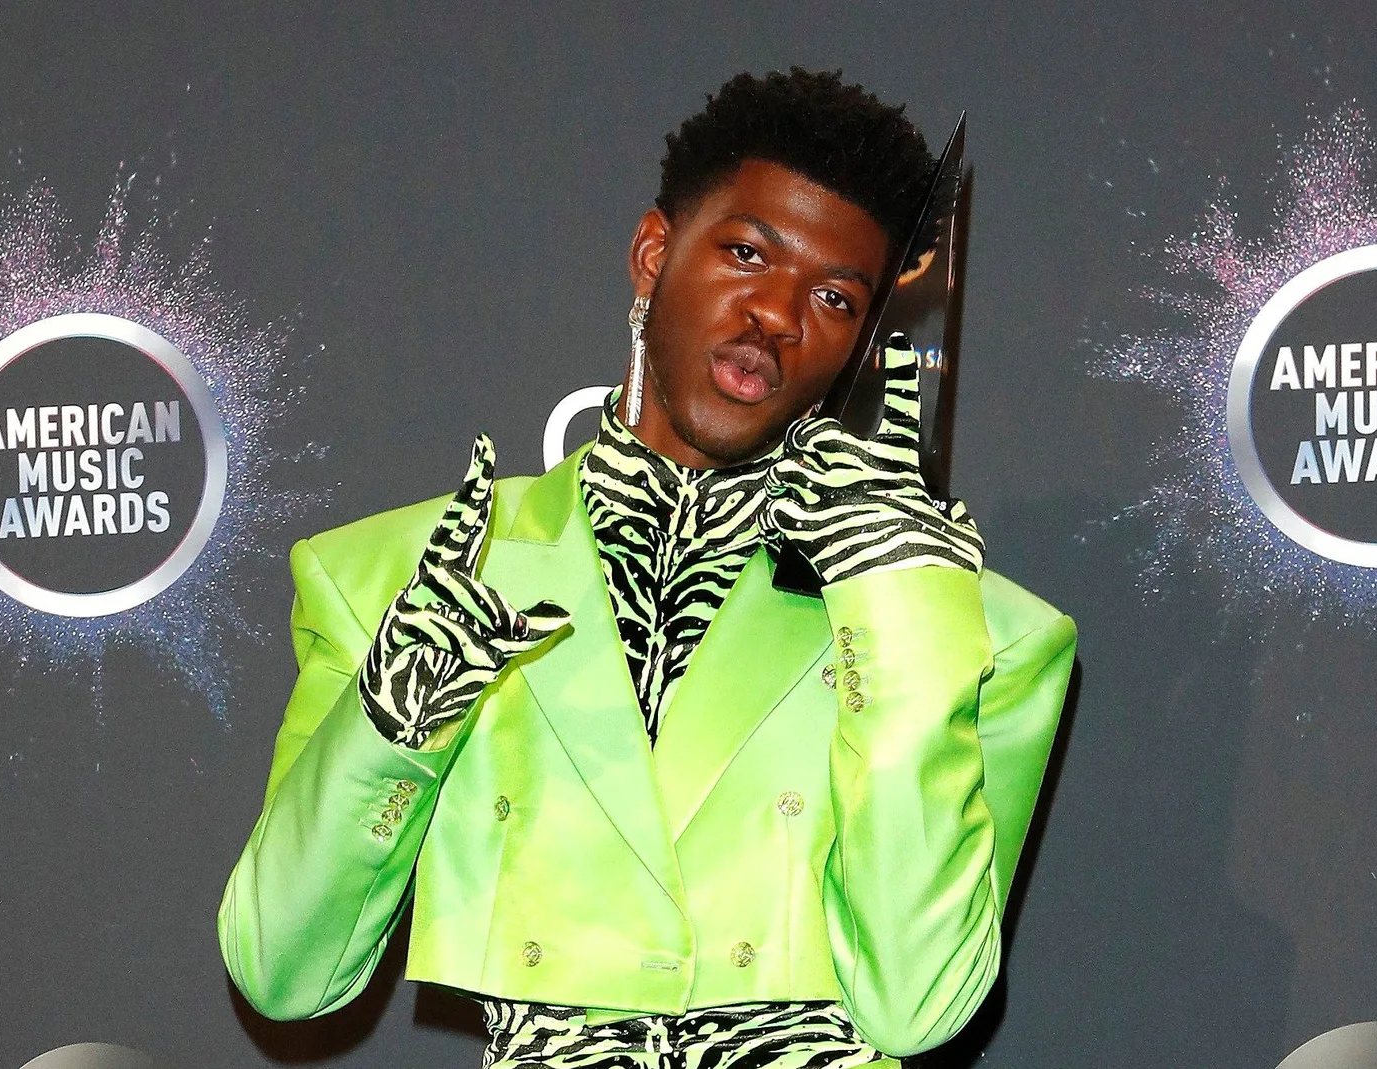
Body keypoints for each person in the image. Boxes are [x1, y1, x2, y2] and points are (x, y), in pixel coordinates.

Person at [218, 68, 1076, 1068]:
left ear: (861, 342)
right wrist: (396, 722)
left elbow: (917, 1006)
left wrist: (896, 609)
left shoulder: (975, 632)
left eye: (835, 297)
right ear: (652, 253)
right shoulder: (395, 578)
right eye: (748, 253)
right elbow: (284, 973)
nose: (778, 317)